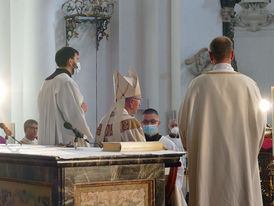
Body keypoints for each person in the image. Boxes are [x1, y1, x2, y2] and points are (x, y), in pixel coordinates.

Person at [178, 36, 266, 206]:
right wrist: (250, 150)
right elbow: (260, 126)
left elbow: (183, 125)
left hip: (207, 162)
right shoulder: (249, 85)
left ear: (211, 56)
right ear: (232, 55)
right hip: (241, 160)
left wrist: (194, 149)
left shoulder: (196, 85)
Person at [38, 47, 93, 146]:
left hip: (46, 139)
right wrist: (82, 109)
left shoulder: (46, 83)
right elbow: (73, 114)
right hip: (63, 141)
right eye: (77, 59)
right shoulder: (65, 81)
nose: (78, 63)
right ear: (70, 61)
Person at [142, 108, 187, 206]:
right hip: (142, 189)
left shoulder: (168, 144)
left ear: (158, 123)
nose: (149, 124)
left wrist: (173, 188)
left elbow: (179, 169)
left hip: (164, 189)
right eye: (146, 122)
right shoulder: (138, 143)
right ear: (142, 123)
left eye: (153, 121)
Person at [95, 67, 145, 145]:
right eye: (139, 99)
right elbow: (142, 150)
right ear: (131, 102)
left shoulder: (103, 122)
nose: (140, 104)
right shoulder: (131, 122)